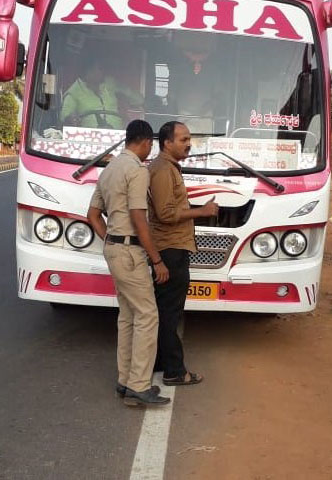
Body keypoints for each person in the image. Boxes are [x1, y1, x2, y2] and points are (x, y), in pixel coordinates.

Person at [87, 119, 171, 407]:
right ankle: (138, 385)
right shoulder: (136, 170)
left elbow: (93, 215)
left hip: (113, 250)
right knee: (148, 315)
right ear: (146, 142)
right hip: (130, 253)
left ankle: (125, 382)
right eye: (151, 145)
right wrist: (156, 259)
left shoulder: (109, 169)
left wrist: (111, 239)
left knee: (127, 317)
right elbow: (139, 217)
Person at [149, 121, 218, 386]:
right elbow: (166, 214)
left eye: (190, 139)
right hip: (170, 249)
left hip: (172, 247)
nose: (189, 143)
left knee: (165, 310)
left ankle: (159, 361)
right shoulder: (163, 170)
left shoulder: (167, 168)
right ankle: (175, 371)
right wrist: (202, 212)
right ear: (167, 143)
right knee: (170, 312)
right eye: (183, 139)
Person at [61, 58, 144, 129]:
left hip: (118, 137)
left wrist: (142, 101)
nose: (103, 72)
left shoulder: (109, 83)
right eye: (99, 69)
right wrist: (71, 119)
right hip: (90, 139)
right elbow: (65, 118)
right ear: (88, 71)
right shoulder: (74, 92)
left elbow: (133, 95)